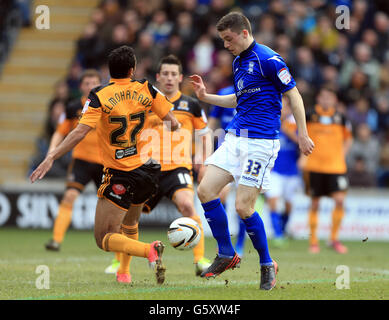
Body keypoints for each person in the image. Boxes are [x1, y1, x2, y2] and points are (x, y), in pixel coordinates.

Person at [30, 45, 181, 285]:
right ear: (132, 69)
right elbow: (173, 123)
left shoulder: (99, 95)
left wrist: (51, 156)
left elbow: (79, 132)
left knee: (104, 238)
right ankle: (124, 273)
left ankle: (149, 251)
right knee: (130, 224)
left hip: (119, 174)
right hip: (147, 170)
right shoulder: (146, 88)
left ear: (108, 71)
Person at [189, 12, 314, 290]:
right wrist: (205, 97)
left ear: (244, 33)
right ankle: (225, 253)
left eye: (228, 39)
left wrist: (303, 134)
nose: (225, 45)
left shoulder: (270, 59)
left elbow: (293, 94)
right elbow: (239, 97)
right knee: (206, 191)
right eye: (222, 40)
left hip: (261, 143)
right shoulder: (238, 62)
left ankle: (267, 263)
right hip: (235, 138)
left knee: (243, 206)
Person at [108, 54, 212, 278]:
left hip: (178, 167)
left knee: (187, 205)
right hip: (147, 169)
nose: (169, 78)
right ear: (158, 76)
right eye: (165, 73)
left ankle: (200, 261)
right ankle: (123, 269)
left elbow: (205, 135)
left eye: (173, 74)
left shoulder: (191, 105)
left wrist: (203, 162)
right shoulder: (145, 102)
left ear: (180, 77)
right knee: (129, 219)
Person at [44, 70, 104, 252]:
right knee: (70, 196)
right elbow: (60, 132)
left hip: (105, 162)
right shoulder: (71, 108)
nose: (91, 86)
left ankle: (119, 255)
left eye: (94, 82)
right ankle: (56, 240)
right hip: (81, 161)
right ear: (81, 86)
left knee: (112, 206)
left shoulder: (108, 105)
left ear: (100, 85)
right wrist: (51, 153)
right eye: (87, 83)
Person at [303, 86, 353, 254]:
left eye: (329, 98)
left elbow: (348, 139)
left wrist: (342, 155)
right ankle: (313, 241)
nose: (326, 100)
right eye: (323, 97)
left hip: (336, 167)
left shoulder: (341, 118)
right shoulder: (310, 116)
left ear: (335, 100)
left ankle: (333, 238)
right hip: (314, 166)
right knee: (315, 203)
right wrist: (303, 154)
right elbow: (295, 131)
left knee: (340, 201)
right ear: (318, 98)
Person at [207, 84, 247, 258]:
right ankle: (224, 243)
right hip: (227, 150)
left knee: (243, 203)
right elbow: (212, 125)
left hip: (249, 151)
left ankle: (240, 244)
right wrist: (207, 154)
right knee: (221, 196)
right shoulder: (224, 93)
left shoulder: (258, 91)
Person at [265, 96, 302, 248]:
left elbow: (303, 143)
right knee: (273, 201)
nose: (282, 109)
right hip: (274, 170)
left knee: (288, 206)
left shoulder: (295, 124)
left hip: (292, 171)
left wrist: (288, 130)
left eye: (285, 107)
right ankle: (278, 234)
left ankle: (283, 229)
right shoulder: (269, 122)